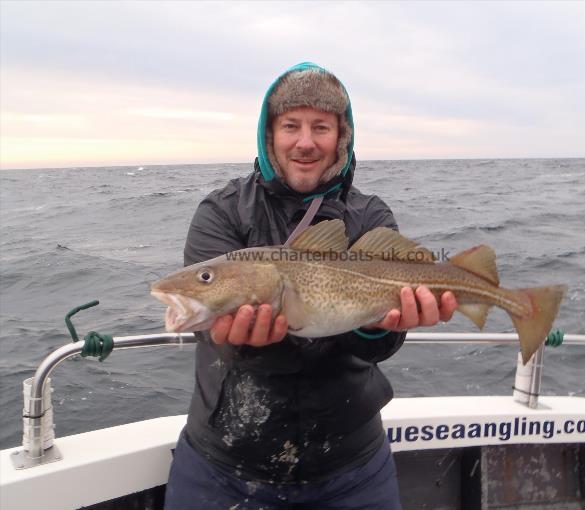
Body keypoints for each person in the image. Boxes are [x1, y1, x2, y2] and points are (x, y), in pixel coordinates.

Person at [164, 62, 458, 510]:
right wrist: (241, 343)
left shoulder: (370, 216)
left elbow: (379, 344)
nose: (305, 142)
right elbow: (216, 334)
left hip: (352, 467)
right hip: (223, 466)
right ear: (270, 134)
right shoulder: (222, 212)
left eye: (321, 126)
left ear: (341, 137)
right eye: (290, 126)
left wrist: (382, 325)